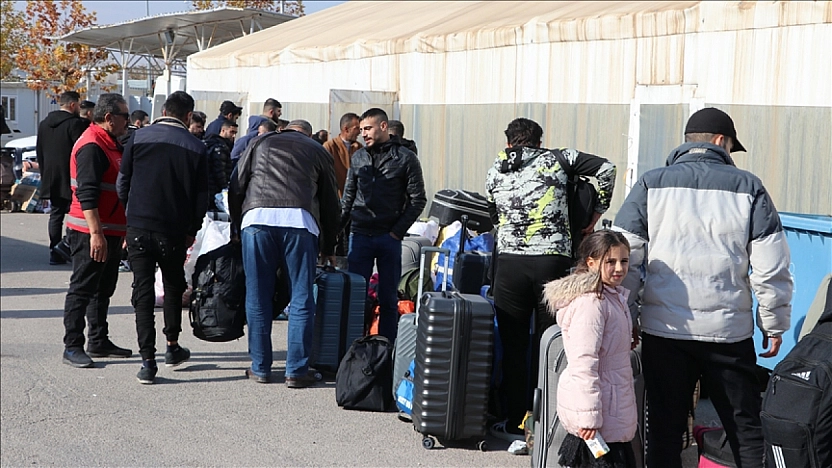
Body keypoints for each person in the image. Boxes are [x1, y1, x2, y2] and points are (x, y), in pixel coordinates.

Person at [613, 107, 793, 468]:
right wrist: (773, 322)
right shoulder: (749, 186)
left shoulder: (651, 183)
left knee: (663, 429)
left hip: (665, 331)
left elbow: (626, 257)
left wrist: (626, 315)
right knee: (744, 428)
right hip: (728, 333)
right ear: (719, 141)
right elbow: (771, 264)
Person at [484, 117, 616, 441]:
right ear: (539, 141)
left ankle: (515, 418)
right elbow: (607, 169)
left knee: (514, 345)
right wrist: (596, 212)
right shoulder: (559, 159)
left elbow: (493, 217)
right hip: (551, 263)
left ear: (509, 142)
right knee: (552, 342)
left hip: (510, 265)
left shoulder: (495, 169)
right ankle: (548, 417)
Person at [229, 119, 340, 387]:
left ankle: (260, 367)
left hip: (256, 219)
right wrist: (329, 246)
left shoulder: (259, 142)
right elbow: (330, 203)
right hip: (300, 222)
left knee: (257, 296)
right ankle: (296, 371)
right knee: (301, 297)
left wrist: (237, 226)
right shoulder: (317, 150)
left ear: (283, 129)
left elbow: (236, 186)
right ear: (309, 134)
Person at [117, 91, 209, 385]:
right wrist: (191, 230)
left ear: (163, 110)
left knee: (142, 291)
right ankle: (172, 346)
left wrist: (131, 215)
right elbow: (201, 197)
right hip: (173, 230)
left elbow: (123, 182)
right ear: (187, 116)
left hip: (139, 227)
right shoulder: (196, 146)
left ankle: (147, 361)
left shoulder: (138, 138)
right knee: (173, 285)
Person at [542, 230, 637, 468]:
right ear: (591, 263)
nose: (619, 268)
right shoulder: (592, 303)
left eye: (624, 261)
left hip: (610, 404)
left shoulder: (611, 296)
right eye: (610, 261)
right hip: (599, 412)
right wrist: (588, 417)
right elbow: (583, 363)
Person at [340, 108, 426, 344]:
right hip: (360, 235)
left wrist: (397, 231)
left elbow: (419, 199)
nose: (363, 133)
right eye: (361, 129)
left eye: (367, 128)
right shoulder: (358, 158)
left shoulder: (405, 158)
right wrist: (335, 233)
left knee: (388, 298)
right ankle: (354, 347)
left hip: (389, 237)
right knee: (355, 296)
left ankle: (385, 348)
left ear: (383, 127)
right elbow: (347, 199)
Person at [60, 93, 133, 368]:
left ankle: (98, 340)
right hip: (90, 231)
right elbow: (87, 194)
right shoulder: (92, 145)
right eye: (124, 116)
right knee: (82, 288)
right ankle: (72, 345)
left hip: (110, 230)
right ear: (109, 118)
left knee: (103, 288)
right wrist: (96, 234)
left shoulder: (110, 143)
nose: (128, 121)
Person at [35, 91, 90, 265]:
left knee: (56, 215)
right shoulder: (74, 125)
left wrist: (45, 174)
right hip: (71, 176)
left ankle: (54, 251)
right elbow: (80, 151)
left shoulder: (44, 124)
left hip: (51, 176)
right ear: (72, 105)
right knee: (79, 214)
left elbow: (39, 151)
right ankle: (69, 247)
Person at [323, 112, 361, 197]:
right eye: (357, 128)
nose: (359, 132)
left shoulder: (359, 147)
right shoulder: (329, 147)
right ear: (346, 129)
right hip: (335, 198)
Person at [203, 119, 238, 208]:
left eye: (235, 133)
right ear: (223, 131)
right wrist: (225, 188)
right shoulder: (220, 146)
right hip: (215, 188)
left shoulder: (209, 142)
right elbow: (220, 169)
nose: (233, 136)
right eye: (231, 132)